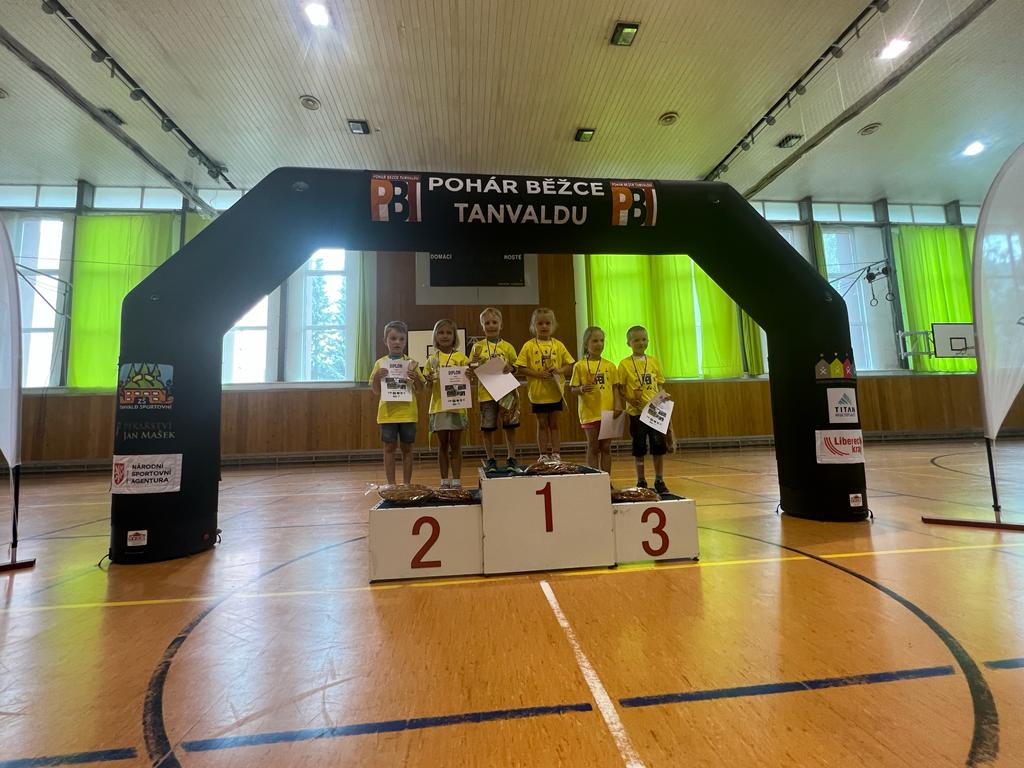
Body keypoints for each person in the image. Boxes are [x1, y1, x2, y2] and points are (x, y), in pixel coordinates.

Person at [617, 325, 671, 493]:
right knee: (639, 447)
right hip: (636, 412)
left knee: (658, 446)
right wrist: (630, 400)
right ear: (629, 343)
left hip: (654, 410)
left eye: (644, 339)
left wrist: (662, 399)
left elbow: (659, 384)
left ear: (648, 340)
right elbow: (620, 388)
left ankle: (659, 479)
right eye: (636, 340)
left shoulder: (653, 361)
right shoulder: (624, 364)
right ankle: (641, 480)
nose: (641, 343)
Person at [516, 308, 574, 462]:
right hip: (538, 394)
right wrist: (538, 374)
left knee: (554, 423)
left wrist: (559, 370)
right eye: (540, 323)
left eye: (548, 323)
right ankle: (542, 454)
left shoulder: (558, 345)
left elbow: (570, 365)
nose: (544, 326)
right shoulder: (528, 346)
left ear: (553, 325)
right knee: (542, 423)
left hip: (555, 392)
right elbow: (520, 367)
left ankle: (556, 453)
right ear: (533, 325)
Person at [369, 320, 423, 484]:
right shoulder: (380, 363)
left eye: (401, 339)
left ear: (406, 341)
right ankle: (391, 485)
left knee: (407, 449)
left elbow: (420, 389)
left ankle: (406, 484)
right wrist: (377, 377)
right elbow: (376, 390)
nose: (397, 342)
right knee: (389, 448)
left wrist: (415, 379)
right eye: (393, 338)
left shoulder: (412, 363)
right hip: (387, 414)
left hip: (408, 413)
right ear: (385, 341)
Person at [469, 307, 520, 472]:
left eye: (494, 322)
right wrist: (474, 362)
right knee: (487, 428)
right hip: (486, 394)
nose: (491, 326)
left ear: (501, 325)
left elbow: (517, 366)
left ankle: (511, 457)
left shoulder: (508, 347)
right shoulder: (477, 347)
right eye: (487, 323)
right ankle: (490, 458)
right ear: (482, 326)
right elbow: (472, 369)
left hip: (507, 392)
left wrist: (511, 367)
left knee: (510, 426)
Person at [423, 318, 470, 488]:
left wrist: (470, 375)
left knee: (456, 445)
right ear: (435, 336)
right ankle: (444, 481)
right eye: (441, 332)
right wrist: (428, 380)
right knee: (442, 445)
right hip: (438, 407)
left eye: (449, 333)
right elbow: (427, 387)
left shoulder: (462, 358)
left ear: (454, 336)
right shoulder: (431, 359)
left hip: (457, 407)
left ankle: (456, 481)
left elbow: (468, 381)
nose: (445, 336)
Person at [569, 326, 621, 475]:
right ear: (586, 344)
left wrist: (618, 405)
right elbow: (573, 389)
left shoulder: (610, 366)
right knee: (593, 446)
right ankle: (594, 478)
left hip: (607, 412)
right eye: (595, 341)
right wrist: (581, 389)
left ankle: (606, 479)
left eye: (602, 340)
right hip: (589, 412)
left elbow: (615, 387)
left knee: (606, 447)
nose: (599, 344)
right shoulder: (579, 366)